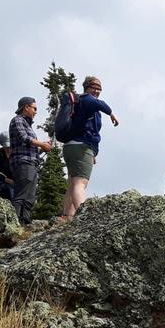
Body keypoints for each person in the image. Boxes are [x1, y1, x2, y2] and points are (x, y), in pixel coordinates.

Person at [60, 76, 120, 221]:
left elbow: (88, 128)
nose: (97, 91)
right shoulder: (86, 99)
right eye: (94, 87)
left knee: (73, 182)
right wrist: (111, 113)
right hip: (81, 147)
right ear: (86, 87)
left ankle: (67, 216)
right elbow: (98, 103)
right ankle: (85, 220)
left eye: (99, 89)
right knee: (81, 183)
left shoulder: (83, 104)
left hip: (72, 147)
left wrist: (93, 152)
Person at [8, 96, 51, 224]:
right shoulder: (17, 120)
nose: (36, 112)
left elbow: (29, 147)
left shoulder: (27, 124)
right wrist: (41, 144)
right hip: (23, 162)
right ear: (26, 107)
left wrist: (42, 149)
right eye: (34, 108)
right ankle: (15, 224)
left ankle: (25, 223)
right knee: (21, 194)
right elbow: (24, 138)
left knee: (30, 196)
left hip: (31, 163)